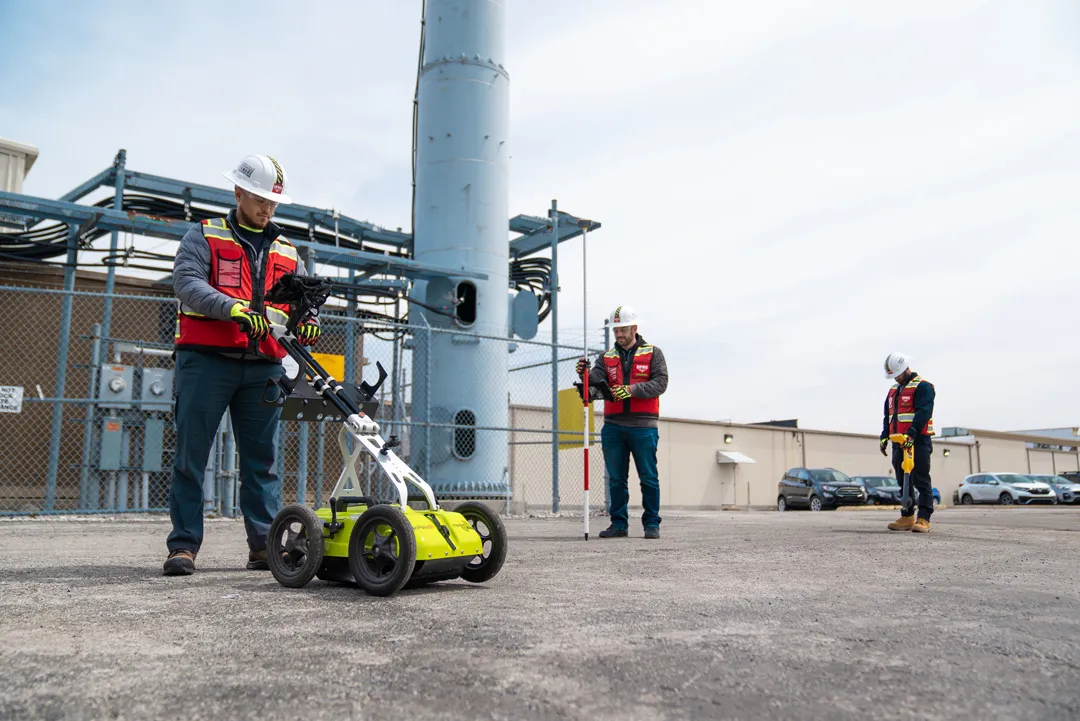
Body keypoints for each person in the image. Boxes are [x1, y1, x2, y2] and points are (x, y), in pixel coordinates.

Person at [164, 154, 320, 576]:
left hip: (264, 365)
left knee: (261, 462)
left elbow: (303, 298)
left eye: (272, 202)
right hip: (206, 361)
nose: (267, 209)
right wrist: (231, 308)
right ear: (238, 193)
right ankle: (183, 546)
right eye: (259, 200)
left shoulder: (287, 251)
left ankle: (263, 546)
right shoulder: (204, 235)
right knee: (191, 456)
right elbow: (187, 283)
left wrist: (308, 319)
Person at [577, 306, 669, 539]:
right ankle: (618, 524)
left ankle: (652, 524)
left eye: (623, 329)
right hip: (613, 426)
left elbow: (661, 383)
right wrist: (584, 374)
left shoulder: (653, 353)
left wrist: (631, 390)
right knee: (616, 479)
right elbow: (594, 384)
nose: (618, 334)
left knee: (648, 478)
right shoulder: (606, 358)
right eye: (615, 330)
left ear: (634, 328)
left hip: (644, 426)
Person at [880, 351, 936, 533]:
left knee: (921, 478)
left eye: (897, 374)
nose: (895, 378)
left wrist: (912, 434)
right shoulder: (893, 391)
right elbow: (889, 417)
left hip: (918, 441)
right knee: (902, 480)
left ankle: (924, 518)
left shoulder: (923, 387)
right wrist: (884, 436)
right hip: (898, 442)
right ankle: (907, 516)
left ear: (905, 369)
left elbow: (923, 413)